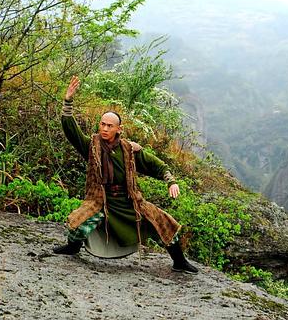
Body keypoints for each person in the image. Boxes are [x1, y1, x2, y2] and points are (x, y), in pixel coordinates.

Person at [52, 76, 198, 274]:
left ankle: (179, 261)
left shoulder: (129, 150)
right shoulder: (91, 146)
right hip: (101, 200)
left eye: (109, 126)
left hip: (130, 201)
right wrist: (68, 101)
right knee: (79, 222)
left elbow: (156, 165)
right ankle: (72, 247)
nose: (104, 128)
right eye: (102, 124)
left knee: (164, 222)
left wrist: (171, 181)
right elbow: (71, 131)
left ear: (119, 129)